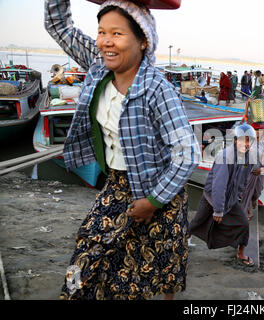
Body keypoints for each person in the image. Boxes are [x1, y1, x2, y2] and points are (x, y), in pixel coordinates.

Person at [45, 0, 200, 300]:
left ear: (143, 41)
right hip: (116, 186)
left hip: (161, 193)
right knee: (84, 258)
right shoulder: (98, 62)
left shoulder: (157, 89)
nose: (105, 41)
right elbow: (58, 25)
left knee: (159, 270)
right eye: (101, 32)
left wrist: (154, 201)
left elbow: (187, 154)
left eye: (116, 33)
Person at [188, 123, 258, 267]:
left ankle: (241, 253)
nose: (246, 144)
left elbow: (244, 181)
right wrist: (218, 210)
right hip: (211, 197)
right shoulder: (225, 157)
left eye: (249, 140)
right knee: (197, 222)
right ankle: (182, 241)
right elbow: (218, 185)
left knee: (244, 223)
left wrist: (242, 198)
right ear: (235, 140)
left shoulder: (249, 158)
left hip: (231, 199)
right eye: (242, 140)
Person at [241, 122, 264, 220]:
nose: (258, 132)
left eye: (260, 130)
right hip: (249, 170)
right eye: (256, 130)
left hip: (261, 169)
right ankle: (246, 213)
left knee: (259, 190)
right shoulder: (248, 141)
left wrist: (263, 168)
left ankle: (254, 200)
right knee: (247, 192)